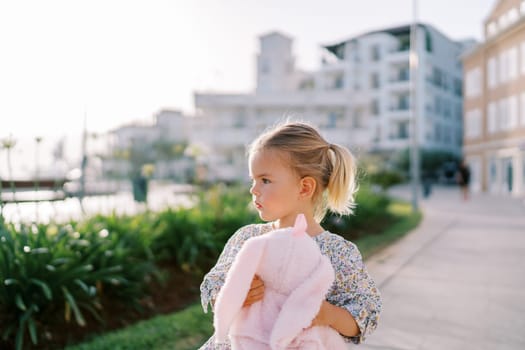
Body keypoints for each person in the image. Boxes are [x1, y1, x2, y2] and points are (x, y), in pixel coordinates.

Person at [198, 121, 382, 349]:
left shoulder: (338, 252)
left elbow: (365, 312)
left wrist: (325, 314)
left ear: (305, 188)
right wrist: (234, 296)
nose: (253, 189)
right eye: (253, 180)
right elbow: (215, 285)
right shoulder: (248, 239)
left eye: (265, 180)